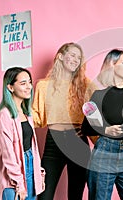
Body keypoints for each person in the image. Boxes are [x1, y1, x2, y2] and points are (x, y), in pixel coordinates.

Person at [81, 49, 123, 200]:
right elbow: (85, 127)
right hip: (104, 153)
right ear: (112, 65)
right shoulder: (99, 95)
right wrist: (106, 130)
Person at [32, 42, 91, 200]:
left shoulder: (85, 85)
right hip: (53, 143)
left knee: (75, 195)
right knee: (44, 195)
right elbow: (37, 117)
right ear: (60, 56)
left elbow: (97, 111)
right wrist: (17, 113)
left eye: (78, 58)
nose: (75, 60)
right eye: (72, 55)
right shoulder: (43, 86)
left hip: (78, 141)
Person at [0, 67, 45, 200]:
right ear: (10, 87)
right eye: (23, 83)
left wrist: (39, 175)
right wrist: (19, 184)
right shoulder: (4, 115)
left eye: (29, 82)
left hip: (31, 167)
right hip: (13, 175)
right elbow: (8, 154)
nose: (29, 87)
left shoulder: (27, 113)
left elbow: (32, 146)